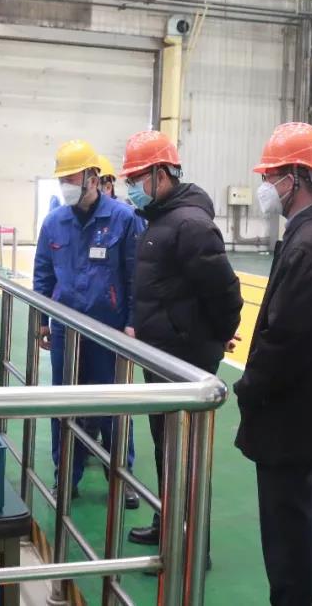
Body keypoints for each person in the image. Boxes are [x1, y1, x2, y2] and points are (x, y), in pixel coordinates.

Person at [232, 123, 312, 606]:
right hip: (306, 418)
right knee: (301, 527)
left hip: (291, 420)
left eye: (272, 175)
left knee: (288, 539)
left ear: (298, 177)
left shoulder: (310, 245)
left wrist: (248, 387)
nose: (265, 185)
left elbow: (288, 341)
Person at [120, 130, 243, 547]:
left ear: (161, 174)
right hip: (163, 356)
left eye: (136, 178)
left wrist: (214, 338)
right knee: (167, 449)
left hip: (184, 359)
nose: (131, 188)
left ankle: (191, 546)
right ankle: (169, 524)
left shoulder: (189, 225)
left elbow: (226, 293)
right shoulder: (161, 219)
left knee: (185, 455)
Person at [33, 139, 143, 508]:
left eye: (71, 177)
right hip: (67, 332)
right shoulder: (54, 223)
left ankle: (122, 478)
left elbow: (135, 278)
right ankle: (66, 477)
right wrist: (42, 321)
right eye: (62, 178)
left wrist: (132, 323)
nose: (65, 184)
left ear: (93, 179)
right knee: (65, 407)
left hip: (109, 333)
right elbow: (43, 275)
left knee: (113, 407)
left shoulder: (123, 219)